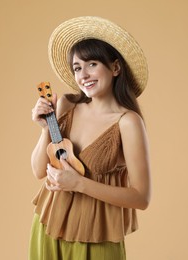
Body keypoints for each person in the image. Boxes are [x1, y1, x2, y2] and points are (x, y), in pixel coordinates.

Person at [29, 16, 151, 260]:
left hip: (97, 236)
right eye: (77, 67)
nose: (83, 74)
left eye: (92, 64)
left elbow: (141, 197)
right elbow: (38, 170)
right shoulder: (66, 105)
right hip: (48, 224)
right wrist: (45, 129)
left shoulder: (128, 123)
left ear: (115, 68)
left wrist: (78, 184)